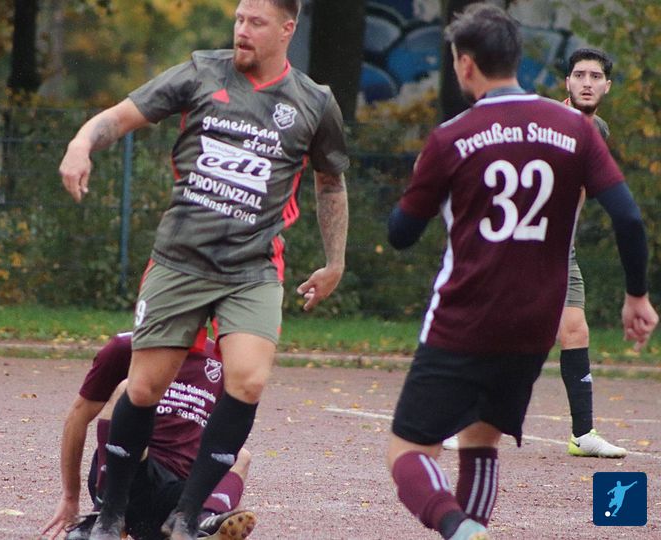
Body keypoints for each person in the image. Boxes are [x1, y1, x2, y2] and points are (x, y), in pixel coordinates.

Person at [58, 0, 350, 537]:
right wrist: (81, 144)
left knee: (248, 379)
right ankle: (112, 515)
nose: (242, 30)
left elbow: (330, 182)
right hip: (181, 260)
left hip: (252, 268)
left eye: (256, 22)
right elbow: (119, 117)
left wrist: (335, 262)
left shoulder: (314, 102)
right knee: (143, 389)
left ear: (287, 29)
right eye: (239, 19)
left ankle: (187, 516)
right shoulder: (201, 73)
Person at [385, 4, 657, 540]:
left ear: (465, 64)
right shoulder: (576, 129)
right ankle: (471, 529)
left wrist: (422, 182)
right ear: (516, 58)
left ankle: (460, 528)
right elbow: (628, 218)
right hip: (534, 319)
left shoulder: (451, 136)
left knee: (406, 452)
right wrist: (637, 295)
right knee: (480, 442)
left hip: (465, 315)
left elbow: (400, 234)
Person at [41, 331, 256, 540]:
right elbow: (78, 417)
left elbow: (221, 441)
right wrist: (70, 497)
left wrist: (228, 507)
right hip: (128, 477)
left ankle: (202, 522)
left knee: (241, 456)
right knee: (127, 389)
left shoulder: (219, 360)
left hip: (179, 496)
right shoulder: (126, 347)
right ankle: (102, 514)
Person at [559, 47, 627, 458]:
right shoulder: (546, 123)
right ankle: (460, 424)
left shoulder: (598, 129)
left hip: (560, 252)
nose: (587, 82)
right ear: (567, 82)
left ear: (607, 86)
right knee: (499, 334)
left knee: (576, 331)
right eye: (580, 75)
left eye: (595, 76)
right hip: (519, 247)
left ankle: (582, 434)